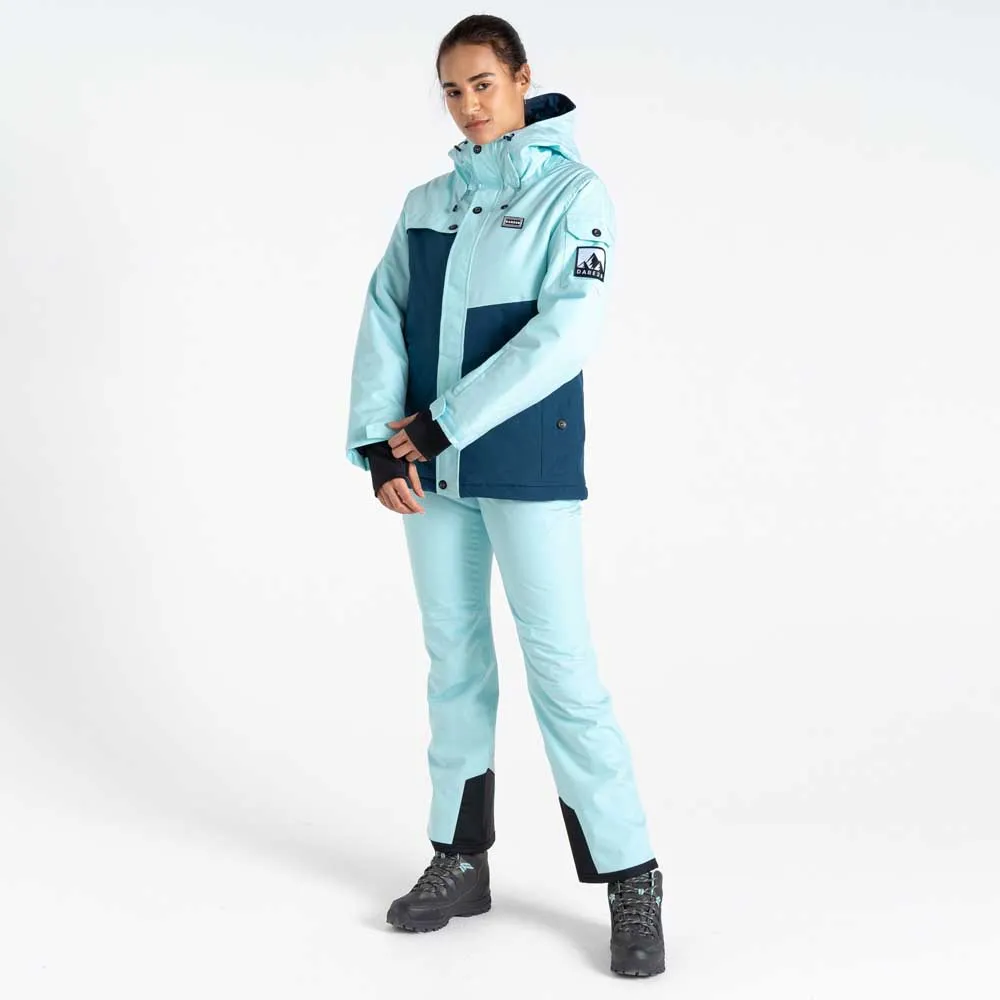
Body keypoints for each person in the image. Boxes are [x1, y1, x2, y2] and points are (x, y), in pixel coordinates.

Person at [344, 14, 665, 978]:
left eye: (483, 83)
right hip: (431, 471)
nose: (468, 105)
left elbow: (566, 332)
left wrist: (444, 420)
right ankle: (460, 856)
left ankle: (632, 875)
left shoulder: (575, 193)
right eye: (452, 89)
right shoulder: (426, 204)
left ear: (522, 78)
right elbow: (385, 315)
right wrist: (381, 443)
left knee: (562, 668)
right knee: (454, 662)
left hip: (524, 461)